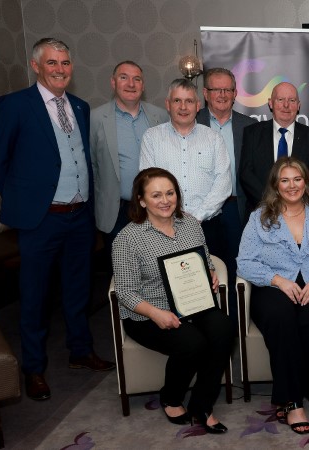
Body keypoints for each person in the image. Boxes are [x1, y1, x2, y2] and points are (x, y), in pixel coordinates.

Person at [0, 37, 115, 402]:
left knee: (78, 290)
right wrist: (24, 200)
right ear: (36, 65)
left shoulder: (80, 106)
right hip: (41, 219)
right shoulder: (14, 106)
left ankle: (80, 351)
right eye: (53, 63)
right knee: (35, 296)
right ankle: (34, 368)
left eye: (65, 63)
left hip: (78, 217)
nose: (60, 69)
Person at [112, 168, 235, 434]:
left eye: (170, 193)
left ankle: (203, 405)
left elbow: (204, 257)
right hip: (147, 314)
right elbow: (125, 292)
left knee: (224, 327)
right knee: (193, 342)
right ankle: (170, 396)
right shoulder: (128, 238)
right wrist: (156, 314)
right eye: (156, 195)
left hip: (193, 303)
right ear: (142, 200)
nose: (165, 200)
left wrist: (210, 270)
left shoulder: (190, 223)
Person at [237, 157, 309, 435]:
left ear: (306, 182)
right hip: (272, 289)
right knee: (281, 319)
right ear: (276, 184)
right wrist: (278, 281)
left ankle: (294, 390)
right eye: (284, 180)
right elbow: (244, 262)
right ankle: (294, 401)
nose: (292, 185)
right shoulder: (259, 216)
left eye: (297, 179)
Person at [139, 79, 232, 258]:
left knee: (210, 280)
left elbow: (223, 183)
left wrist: (196, 217)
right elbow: (147, 183)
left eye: (189, 101)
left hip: (207, 226)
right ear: (168, 104)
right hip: (163, 227)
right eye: (177, 101)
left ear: (198, 106)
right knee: (166, 283)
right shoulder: (151, 138)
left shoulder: (214, 138)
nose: (183, 107)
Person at [91, 60, 169, 249]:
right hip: (116, 211)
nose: (131, 84)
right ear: (113, 82)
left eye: (137, 79)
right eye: (124, 78)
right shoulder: (95, 118)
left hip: (154, 208)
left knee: (157, 266)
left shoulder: (160, 116)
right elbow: (92, 165)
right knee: (122, 270)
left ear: (143, 85)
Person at [195, 67, 257, 289]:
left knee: (236, 264)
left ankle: (237, 317)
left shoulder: (249, 126)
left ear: (235, 93)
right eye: (216, 89)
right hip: (200, 208)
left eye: (227, 90)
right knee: (203, 265)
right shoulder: (192, 121)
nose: (222, 95)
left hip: (236, 206)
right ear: (205, 93)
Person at [239, 81, 309, 213]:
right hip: (261, 211)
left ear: (298, 105)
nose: (286, 105)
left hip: (301, 213)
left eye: (292, 100)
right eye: (280, 99)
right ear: (270, 103)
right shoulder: (252, 133)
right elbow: (246, 173)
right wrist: (270, 203)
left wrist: (295, 203)